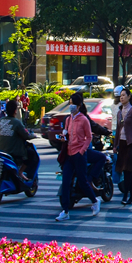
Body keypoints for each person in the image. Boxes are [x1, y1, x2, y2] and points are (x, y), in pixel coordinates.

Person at [56, 92, 100, 221]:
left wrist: (82, 150)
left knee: (82, 181)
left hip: (79, 155)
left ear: (79, 106)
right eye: (70, 104)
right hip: (69, 154)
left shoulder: (84, 119)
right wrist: (63, 138)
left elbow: (89, 137)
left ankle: (95, 200)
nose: (71, 106)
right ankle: (65, 211)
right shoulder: (69, 119)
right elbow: (67, 134)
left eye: (74, 104)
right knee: (65, 182)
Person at [0, 98, 33, 178]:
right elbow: (26, 135)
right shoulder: (17, 122)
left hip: (2, 151)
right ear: (15, 111)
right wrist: (33, 136)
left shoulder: (1, 121)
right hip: (14, 153)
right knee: (30, 155)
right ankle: (20, 172)